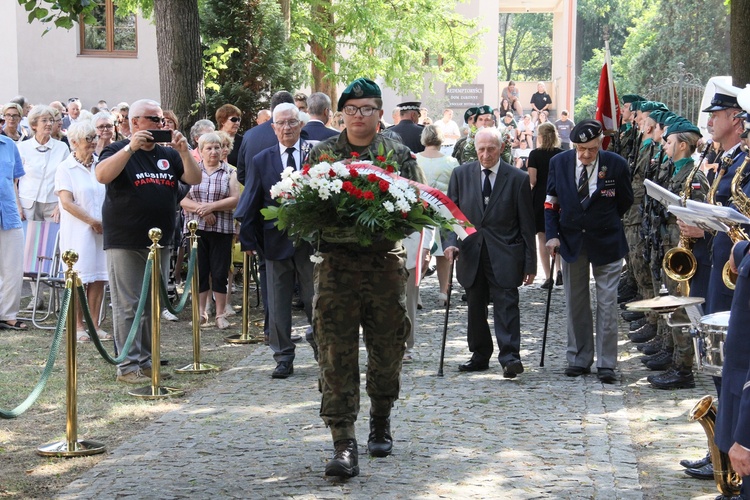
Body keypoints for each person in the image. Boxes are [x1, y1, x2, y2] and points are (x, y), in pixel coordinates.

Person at [307, 77, 425, 478]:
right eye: (352, 110)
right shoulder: (322, 154)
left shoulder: (396, 153)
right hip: (336, 269)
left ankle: (381, 419)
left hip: (382, 266)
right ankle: (343, 443)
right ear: (341, 114)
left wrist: (383, 223)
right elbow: (302, 210)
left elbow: (418, 207)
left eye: (367, 109)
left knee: (387, 349)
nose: (359, 117)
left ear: (379, 113)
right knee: (335, 354)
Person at [96, 99, 201, 384]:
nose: (160, 125)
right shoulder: (117, 149)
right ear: (135, 122)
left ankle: (146, 362)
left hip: (160, 241)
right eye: (153, 120)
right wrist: (130, 147)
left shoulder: (169, 154)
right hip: (126, 239)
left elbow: (194, 177)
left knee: (152, 306)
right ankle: (128, 367)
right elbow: (102, 175)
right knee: (129, 304)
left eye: (161, 120)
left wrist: (184, 151)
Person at [545, 119, 633, 384]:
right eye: (580, 149)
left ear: (600, 143)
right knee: (576, 302)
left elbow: (625, 200)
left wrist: (602, 221)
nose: (585, 154)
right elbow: (551, 202)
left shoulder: (616, 164)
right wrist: (552, 235)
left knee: (607, 303)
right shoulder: (558, 163)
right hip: (572, 241)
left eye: (591, 149)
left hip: (607, 241)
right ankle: (579, 358)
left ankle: (607, 363)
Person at [443, 127, 536, 378]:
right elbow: (453, 216)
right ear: (475, 149)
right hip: (472, 252)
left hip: (506, 253)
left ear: (501, 149)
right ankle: (480, 354)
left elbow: (527, 224)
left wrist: (530, 264)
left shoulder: (517, 178)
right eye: (481, 149)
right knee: (475, 305)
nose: (486, 155)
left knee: (507, 305)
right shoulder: (461, 175)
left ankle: (510, 358)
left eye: (491, 149)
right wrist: (450, 242)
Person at [238, 103, 315, 378]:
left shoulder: (316, 154)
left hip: (311, 242)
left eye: (292, 122)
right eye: (281, 123)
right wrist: (247, 240)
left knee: (316, 298)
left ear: (301, 124)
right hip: (274, 240)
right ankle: (283, 356)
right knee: (278, 302)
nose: (287, 128)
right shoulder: (262, 159)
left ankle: (320, 343)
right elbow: (251, 199)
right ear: (273, 128)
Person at [54, 121, 109, 342]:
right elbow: (67, 202)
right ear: (74, 142)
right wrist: (92, 221)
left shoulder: (100, 164)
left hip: (102, 231)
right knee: (79, 277)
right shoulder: (65, 168)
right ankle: (77, 327)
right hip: (78, 232)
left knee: (99, 277)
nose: (93, 142)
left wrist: (103, 223)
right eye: (88, 138)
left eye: (94, 137)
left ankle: (94, 325)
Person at [180, 132, 240, 330]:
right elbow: (181, 198)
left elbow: (234, 199)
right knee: (199, 271)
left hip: (221, 229)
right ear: (201, 150)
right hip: (196, 230)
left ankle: (220, 314)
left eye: (217, 147)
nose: (214, 152)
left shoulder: (230, 172)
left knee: (220, 271)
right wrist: (201, 210)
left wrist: (211, 208)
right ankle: (200, 313)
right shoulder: (191, 171)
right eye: (209, 148)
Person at [416, 124, 459, 305]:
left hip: (421, 212)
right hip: (444, 211)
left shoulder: (415, 159)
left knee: (419, 254)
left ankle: (415, 292)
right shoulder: (452, 162)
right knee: (444, 254)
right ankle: (443, 292)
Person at [17, 105, 70, 223]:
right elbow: (14, 180)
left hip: (53, 206)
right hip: (28, 205)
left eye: (51, 120)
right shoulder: (22, 147)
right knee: (29, 240)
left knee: (52, 240)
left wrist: (60, 204)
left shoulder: (62, 148)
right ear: (34, 125)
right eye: (44, 120)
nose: (49, 124)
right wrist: (18, 206)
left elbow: (68, 179)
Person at [528, 122, 563, 289]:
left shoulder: (534, 154)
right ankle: (559, 270)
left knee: (542, 237)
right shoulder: (562, 154)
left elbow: (532, 181)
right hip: (559, 194)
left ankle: (548, 276)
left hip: (540, 196)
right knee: (558, 233)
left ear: (540, 136)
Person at [0, 132, 27, 331]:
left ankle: (8, 315)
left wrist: (18, 205)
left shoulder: (9, 144)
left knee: (13, 267)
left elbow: (14, 181)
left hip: (8, 212)